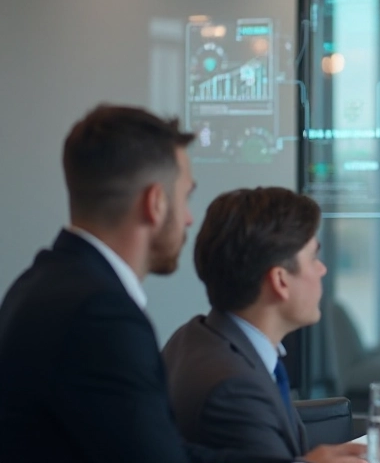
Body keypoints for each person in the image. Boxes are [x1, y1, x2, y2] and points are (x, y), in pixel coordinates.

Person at [0, 105, 359, 463]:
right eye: (185, 196)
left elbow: (156, 449)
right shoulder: (100, 314)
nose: (189, 219)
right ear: (155, 203)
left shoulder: (41, 282)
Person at [163, 187, 362, 461]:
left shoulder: (193, 337)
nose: (322, 269)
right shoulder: (234, 390)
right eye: (313, 258)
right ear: (280, 280)